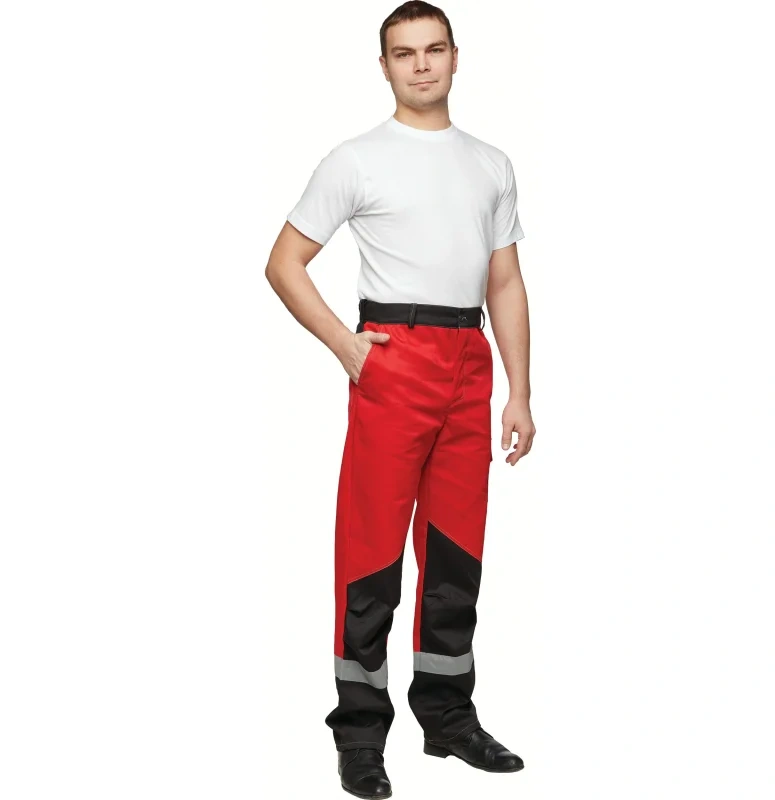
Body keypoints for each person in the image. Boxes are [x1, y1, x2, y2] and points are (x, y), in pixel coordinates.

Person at [266, 2, 535, 796]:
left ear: (455, 56)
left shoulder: (491, 163)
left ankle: (447, 717)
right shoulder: (356, 159)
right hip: (394, 360)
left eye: (433, 49)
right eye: (404, 52)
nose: (421, 64)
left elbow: (506, 282)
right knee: (372, 554)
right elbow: (283, 262)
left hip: (468, 363)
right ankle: (359, 734)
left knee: (456, 551)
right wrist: (344, 344)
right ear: (383, 66)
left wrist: (520, 391)